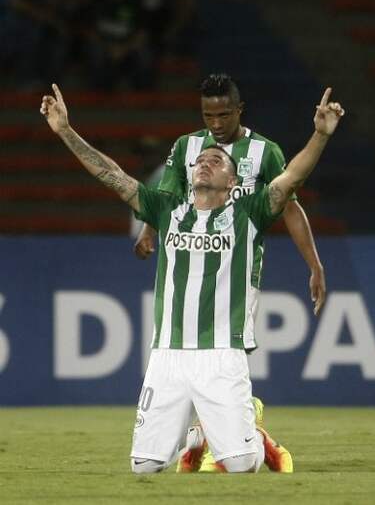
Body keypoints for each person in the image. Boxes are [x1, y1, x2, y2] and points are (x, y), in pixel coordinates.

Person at [40, 82, 344, 474]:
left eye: (217, 162)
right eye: (202, 160)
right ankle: (199, 433)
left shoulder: (248, 213)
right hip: (167, 352)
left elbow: (292, 181)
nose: (205, 161)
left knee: (239, 465)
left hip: (221, 351)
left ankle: (251, 436)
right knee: (143, 467)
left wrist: (320, 135)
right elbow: (110, 174)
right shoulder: (167, 208)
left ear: (234, 182)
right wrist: (65, 130)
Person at [134, 74, 327, 315]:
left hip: (238, 273)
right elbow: (165, 197)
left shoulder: (265, 151)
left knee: (232, 348)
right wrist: (148, 230)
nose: (216, 124)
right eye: (208, 116)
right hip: (189, 266)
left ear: (239, 110)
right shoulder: (186, 146)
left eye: (223, 115)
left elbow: (289, 206)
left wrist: (314, 265)